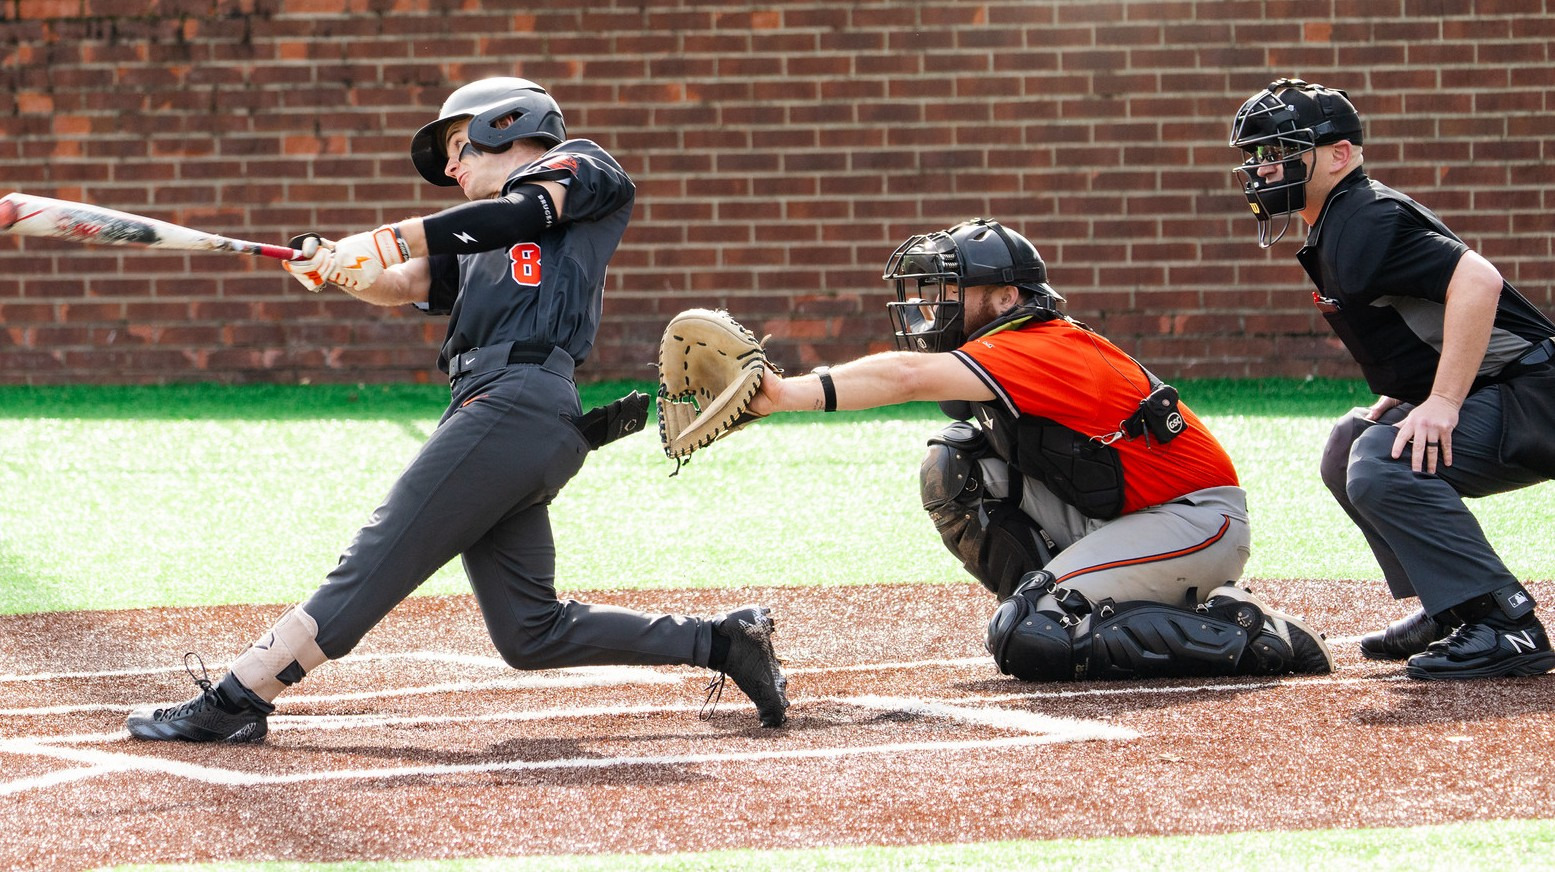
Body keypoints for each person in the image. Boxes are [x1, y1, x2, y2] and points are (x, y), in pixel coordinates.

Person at [125, 76, 788, 742]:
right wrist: (338, 264)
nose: (450, 166)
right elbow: (402, 280)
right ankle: (723, 643)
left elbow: (518, 216)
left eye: (457, 146)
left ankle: (239, 698)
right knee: (530, 632)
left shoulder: (581, 169)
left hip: (519, 401)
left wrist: (384, 238)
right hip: (497, 413)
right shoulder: (473, 243)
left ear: (506, 125)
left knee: (375, 559)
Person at [748, 217, 1334, 682]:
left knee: (1028, 634)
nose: (934, 305)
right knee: (958, 466)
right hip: (1132, 516)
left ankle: (1245, 632)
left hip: (1196, 522)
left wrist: (781, 393)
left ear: (1005, 299)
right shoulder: (1011, 342)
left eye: (953, 289)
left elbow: (903, 376)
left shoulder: (1038, 345)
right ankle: (1061, 605)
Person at [1230, 77, 1555, 680]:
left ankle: (1503, 623)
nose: (1262, 168)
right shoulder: (1341, 219)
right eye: (1257, 156)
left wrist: (1443, 400)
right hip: (1516, 387)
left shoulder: (1365, 218)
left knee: (1382, 460)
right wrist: (1412, 392)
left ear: (1340, 154)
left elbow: (1477, 282)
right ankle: (1452, 604)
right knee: (1347, 446)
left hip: (1537, 394)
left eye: (1278, 151)